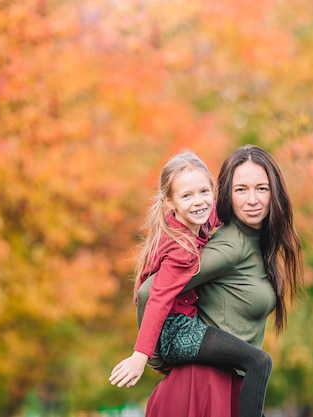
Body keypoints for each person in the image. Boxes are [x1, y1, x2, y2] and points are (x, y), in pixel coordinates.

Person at [136, 144, 304, 416]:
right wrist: (154, 355)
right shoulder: (230, 246)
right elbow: (149, 292)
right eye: (241, 190)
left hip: (229, 387)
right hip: (200, 389)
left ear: (275, 191)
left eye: (261, 188)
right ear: (228, 194)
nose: (252, 199)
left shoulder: (255, 240)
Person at [108, 150, 275, 417]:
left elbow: (226, 211)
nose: (198, 202)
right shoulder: (181, 251)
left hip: (189, 324)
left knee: (257, 362)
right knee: (259, 361)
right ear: (170, 202)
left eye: (203, 192)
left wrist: (246, 197)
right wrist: (142, 356)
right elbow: (154, 296)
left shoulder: (204, 219)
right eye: (187, 196)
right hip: (179, 330)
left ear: (213, 191)